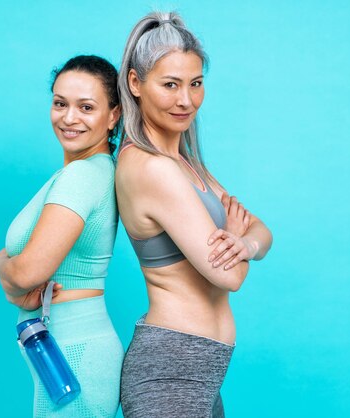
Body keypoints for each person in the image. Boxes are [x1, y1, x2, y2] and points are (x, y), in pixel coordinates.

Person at [116, 12, 273, 418]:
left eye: (195, 83)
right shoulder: (152, 169)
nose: (186, 100)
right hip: (171, 371)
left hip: (200, 370)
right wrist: (241, 246)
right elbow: (229, 276)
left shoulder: (185, 164)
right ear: (136, 84)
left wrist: (245, 241)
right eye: (170, 85)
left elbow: (262, 232)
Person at [0, 55, 123, 417]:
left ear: (114, 115)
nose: (68, 117)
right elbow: (19, 283)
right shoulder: (94, 172)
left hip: (73, 355)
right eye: (60, 103)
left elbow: (27, 274)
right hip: (65, 349)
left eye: (86, 107)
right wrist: (13, 279)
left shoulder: (81, 177)